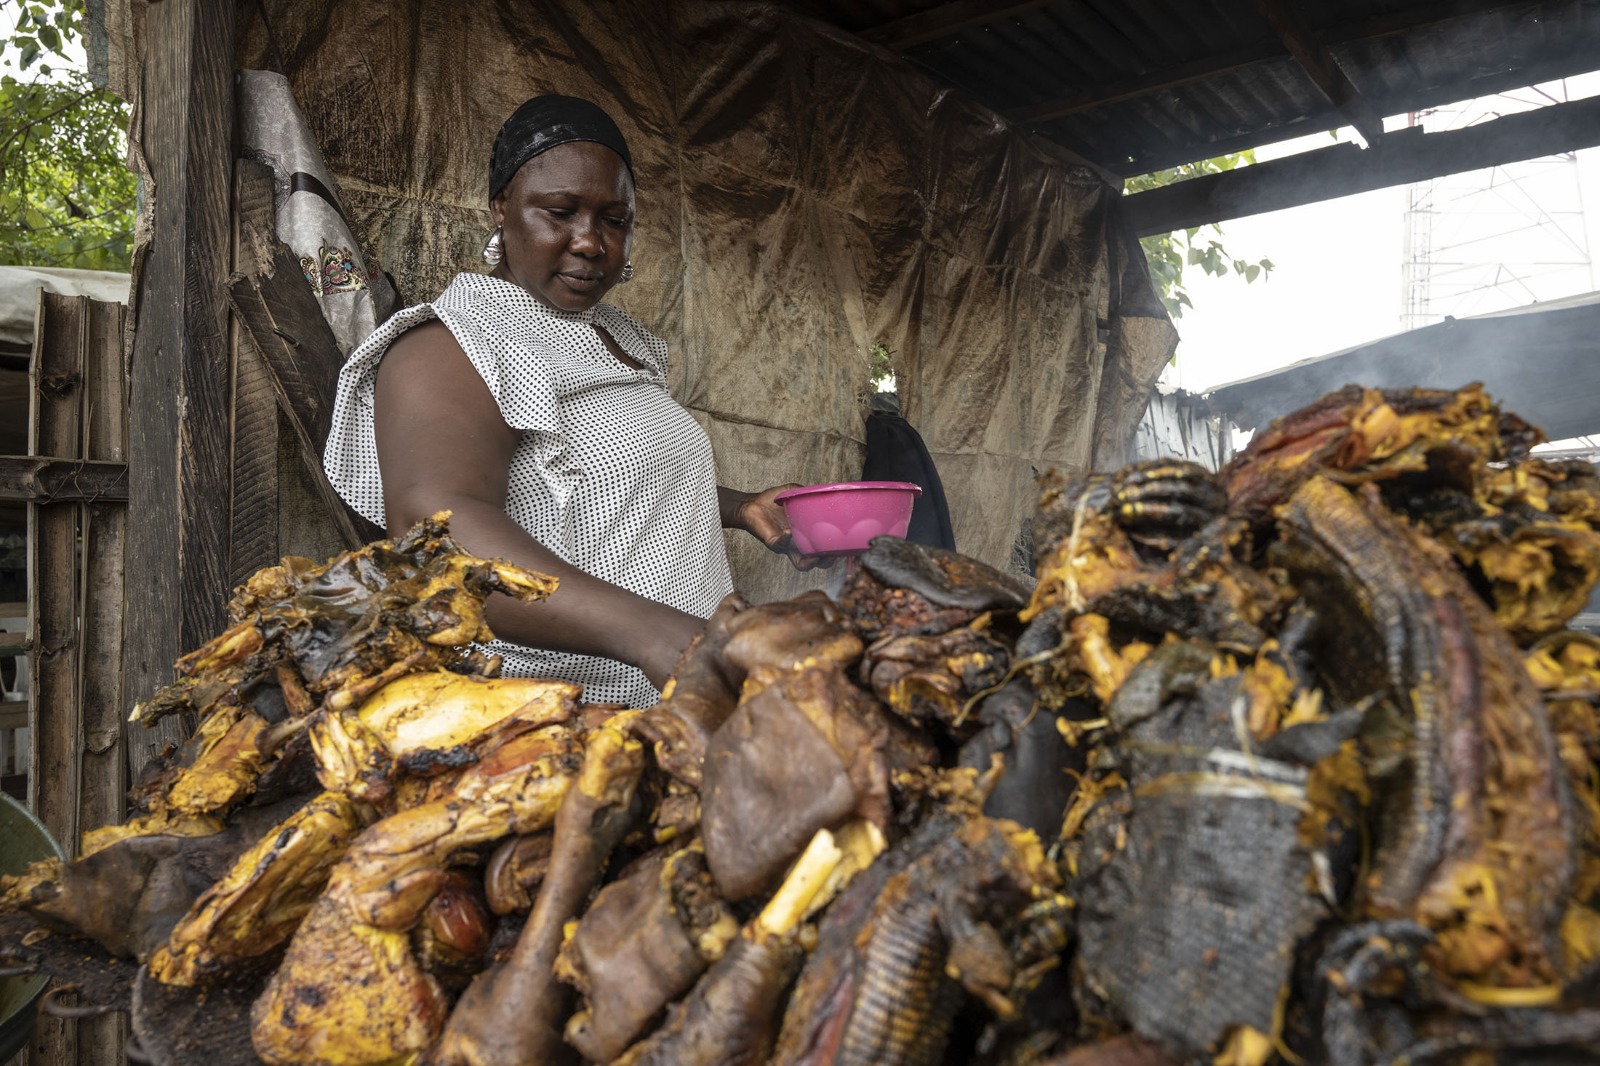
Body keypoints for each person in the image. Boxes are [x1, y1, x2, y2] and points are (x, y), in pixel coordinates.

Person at [324, 95, 808, 709]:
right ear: (502, 208)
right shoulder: (453, 346)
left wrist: (738, 508)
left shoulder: (619, 340)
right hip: (561, 713)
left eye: (614, 219)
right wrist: (657, 634)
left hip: (689, 686)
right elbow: (438, 532)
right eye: (560, 212)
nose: (590, 242)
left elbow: (601, 485)